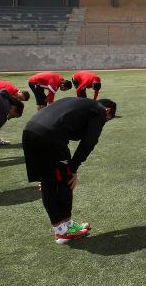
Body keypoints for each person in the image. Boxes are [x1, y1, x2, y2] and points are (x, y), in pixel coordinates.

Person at [23, 97, 117, 244]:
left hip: (29, 130)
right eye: (106, 121)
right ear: (108, 111)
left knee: (48, 181)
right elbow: (89, 142)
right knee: (65, 178)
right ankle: (62, 231)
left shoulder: (82, 104)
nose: (102, 124)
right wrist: (73, 168)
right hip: (49, 136)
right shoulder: (99, 111)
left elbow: (73, 130)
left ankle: (66, 226)